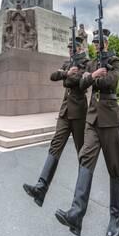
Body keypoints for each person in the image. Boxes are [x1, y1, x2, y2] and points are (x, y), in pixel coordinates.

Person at [55, 28, 119, 236]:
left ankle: (115, 218)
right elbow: (82, 83)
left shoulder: (114, 61)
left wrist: (92, 78)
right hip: (92, 118)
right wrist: (92, 76)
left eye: (99, 42)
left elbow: (110, 83)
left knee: (115, 167)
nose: (96, 45)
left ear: (106, 42)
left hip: (110, 118)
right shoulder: (94, 64)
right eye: (94, 42)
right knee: (85, 159)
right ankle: (76, 214)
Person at [23, 37, 89, 206]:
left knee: (82, 154)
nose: (69, 50)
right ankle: (41, 187)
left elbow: (79, 83)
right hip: (64, 113)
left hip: (79, 114)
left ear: (80, 48)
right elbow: (54, 76)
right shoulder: (68, 64)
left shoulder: (87, 63)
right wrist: (66, 73)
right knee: (55, 146)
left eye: (72, 48)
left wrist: (67, 78)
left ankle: (80, 201)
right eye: (68, 48)